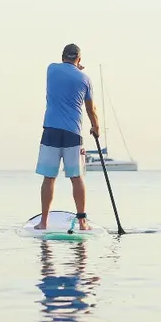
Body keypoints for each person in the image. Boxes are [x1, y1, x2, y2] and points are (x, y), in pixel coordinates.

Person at [34, 44, 102, 231]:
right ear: (79, 60)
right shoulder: (85, 80)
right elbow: (91, 109)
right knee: (76, 177)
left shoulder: (51, 69)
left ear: (62, 56)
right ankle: (82, 222)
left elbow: (65, 68)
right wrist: (96, 128)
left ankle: (44, 222)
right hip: (73, 132)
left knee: (49, 178)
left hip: (51, 131)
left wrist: (74, 67)